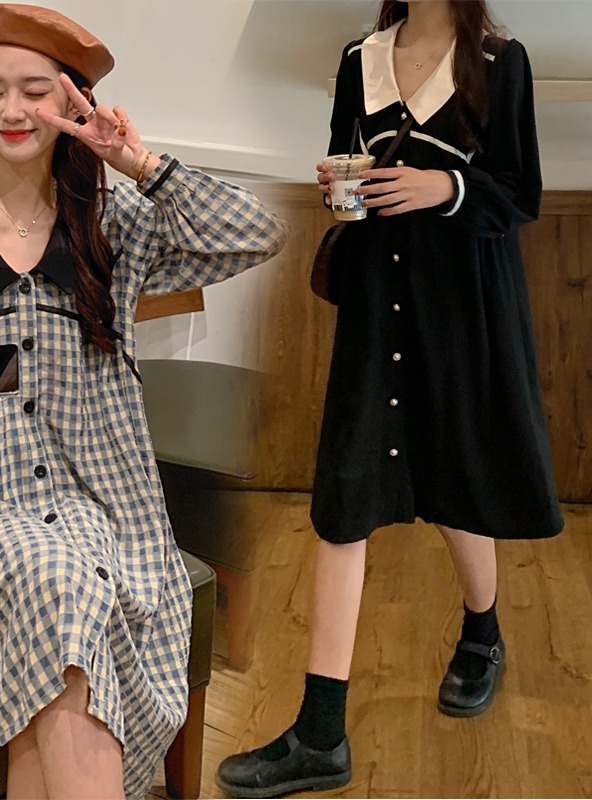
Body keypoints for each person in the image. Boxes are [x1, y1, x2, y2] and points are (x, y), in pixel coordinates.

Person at [0, 5, 287, 799]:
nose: (12, 110)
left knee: (62, 600)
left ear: (73, 104)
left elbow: (258, 232)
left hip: (98, 500)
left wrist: (136, 162)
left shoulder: (114, 226)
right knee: (59, 581)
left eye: (36, 91)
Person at [216, 0, 562, 796]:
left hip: (462, 307)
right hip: (377, 303)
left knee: (455, 479)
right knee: (346, 496)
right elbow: (347, 160)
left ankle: (483, 632)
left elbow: (521, 194)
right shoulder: (359, 60)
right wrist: (339, 183)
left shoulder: (499, 61)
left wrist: (445, 186)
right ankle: (320, 732)